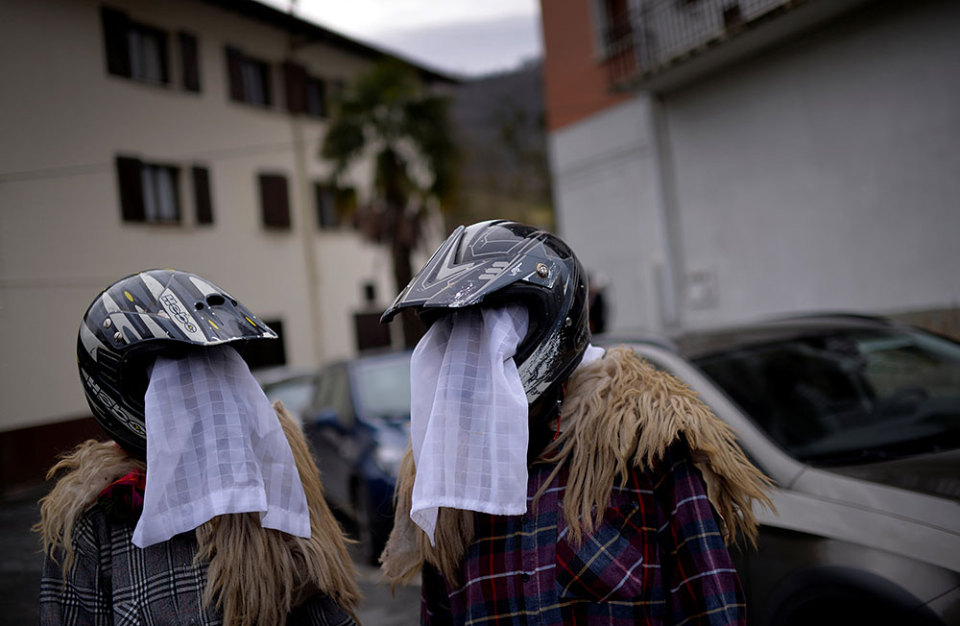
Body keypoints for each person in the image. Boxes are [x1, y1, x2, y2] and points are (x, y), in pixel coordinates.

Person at [378, 220, 773, 625]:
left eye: (484, 342)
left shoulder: (644, 449)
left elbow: (712, 610)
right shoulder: (444, 483)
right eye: (454, 348)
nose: (465, 368)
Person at [35, 269, 360, 626]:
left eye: (224, 378)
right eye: (182, 387)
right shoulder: (97, 520)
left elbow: (326, 605)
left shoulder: (278, 484)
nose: (213, 404)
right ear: (132, 395)